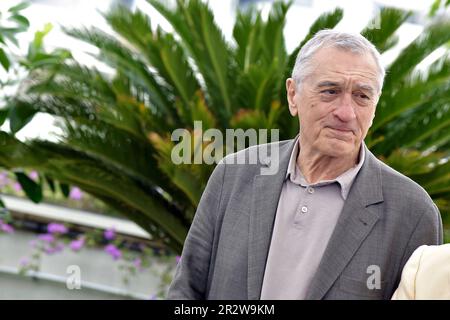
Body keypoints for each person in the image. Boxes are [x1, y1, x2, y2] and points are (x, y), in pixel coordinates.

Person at [167, 30, 443, 300]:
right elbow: (186, 291)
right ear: (292, 95)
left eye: (362, 96)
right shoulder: (235, 175)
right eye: (330, 91)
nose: (346, 113)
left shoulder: (412, 212)